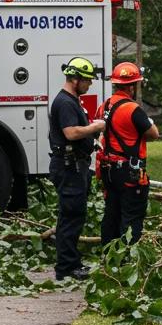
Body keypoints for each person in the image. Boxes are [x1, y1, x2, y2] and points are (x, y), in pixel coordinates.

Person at [48, 57, 107, 281]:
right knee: (71, 216)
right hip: (68, 167)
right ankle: (66, 267)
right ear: (75, 79)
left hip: (74, 166)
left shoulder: (71, 100)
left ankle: (71, 262)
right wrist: (96, 126)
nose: (89, 85)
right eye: (87, 81)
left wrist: (91, 139)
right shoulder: (65, 102)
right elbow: (71, 133)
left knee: (74, 215)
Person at [97, 61, 159, 250]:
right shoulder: (133, 109)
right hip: (129, 172)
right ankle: (128, 260)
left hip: (108, 170)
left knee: (111, 214)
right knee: (131, 217)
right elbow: (154, 134)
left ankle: (109, 256)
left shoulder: (104, 106)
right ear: (132, 86)